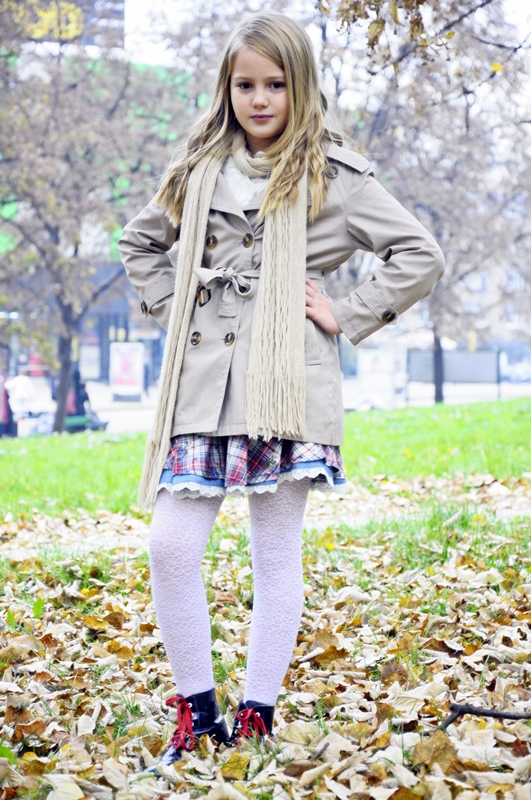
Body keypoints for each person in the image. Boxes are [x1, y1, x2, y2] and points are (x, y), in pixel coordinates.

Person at [118, 12, 445, 767]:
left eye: (275, 84)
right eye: (245, 85)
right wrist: (177, 307)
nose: (259, 99)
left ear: (300, 86)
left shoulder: (334, 175)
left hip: (288, 383)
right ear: (226, 89)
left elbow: (418, 253)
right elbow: (140, 243)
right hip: (202, 383)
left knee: (274, 553)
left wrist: (346, 312)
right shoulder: (196, 171)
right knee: (170, 546)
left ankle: (257, 714)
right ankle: (198, 715)